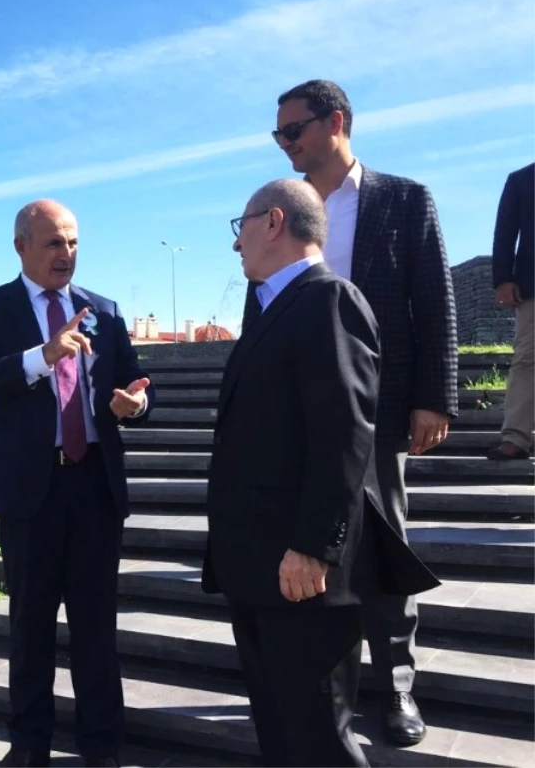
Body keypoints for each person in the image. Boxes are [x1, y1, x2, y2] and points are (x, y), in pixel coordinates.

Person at [242, 80, 457, 746]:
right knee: (312, 546)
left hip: (382, 408)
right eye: (278, 134)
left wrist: (433, 397)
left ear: (336, 122)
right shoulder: (284, 210)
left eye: (294, 130)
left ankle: (396, 689)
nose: (285, 144)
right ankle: (327, 689)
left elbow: (435, 300)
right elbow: (262, 306)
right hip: (296, 416)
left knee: (383, 548)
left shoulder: (401, 199)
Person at [209, 178, 440, 768]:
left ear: (273, 222)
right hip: (260, 565)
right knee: (281, 730)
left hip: (303, 571)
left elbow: (344, 434)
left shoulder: (328, 299)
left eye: (241, 228)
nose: (236, 246)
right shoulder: (272, 306)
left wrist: (314, 546)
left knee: (318, 739)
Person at [0, 199, 153, 768]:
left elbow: (136, 382)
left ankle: (102, 748)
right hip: (28, 493)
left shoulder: (102, 310)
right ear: (21, 245)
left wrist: (135, 403)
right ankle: (29, 747)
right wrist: (41, 357)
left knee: (96, 628)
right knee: (31, 626)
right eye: (52, 243)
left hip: (93, 485)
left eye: (72, 242)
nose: (65, 254)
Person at [487, 159, 535, 460]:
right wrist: (503, 278)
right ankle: (516, 437)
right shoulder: (522, 180)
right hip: (533, 287)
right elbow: (504, 233)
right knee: (527, 359)